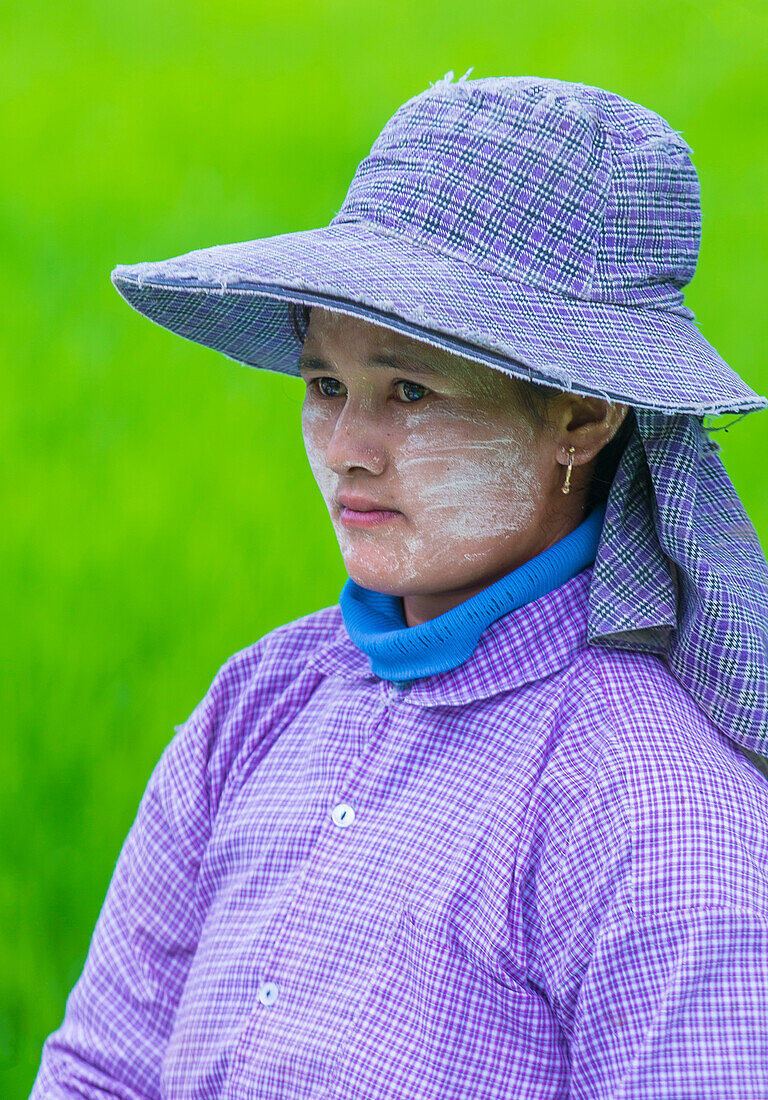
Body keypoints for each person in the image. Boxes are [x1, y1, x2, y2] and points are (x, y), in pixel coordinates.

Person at [31, 71, 768, 1099]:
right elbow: (102, 1066)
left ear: (582, 417)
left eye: (410, 390)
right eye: (326, 384)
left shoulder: (653, 811)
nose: (348, 450)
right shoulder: (260, 705)